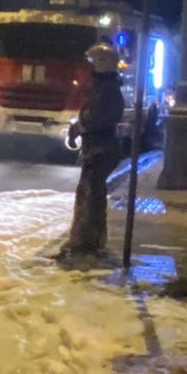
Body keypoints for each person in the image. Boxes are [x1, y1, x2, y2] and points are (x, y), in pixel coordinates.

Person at [59, 40, 125, 259]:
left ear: (100, 65)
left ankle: (86, 242)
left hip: (100, 149)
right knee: (90, 194)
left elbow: (97, 118)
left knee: (90, 196)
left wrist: (79, 128)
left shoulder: (107, 91)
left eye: (90, 65)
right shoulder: (103, 88)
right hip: (98, 148)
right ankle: (88, 240)